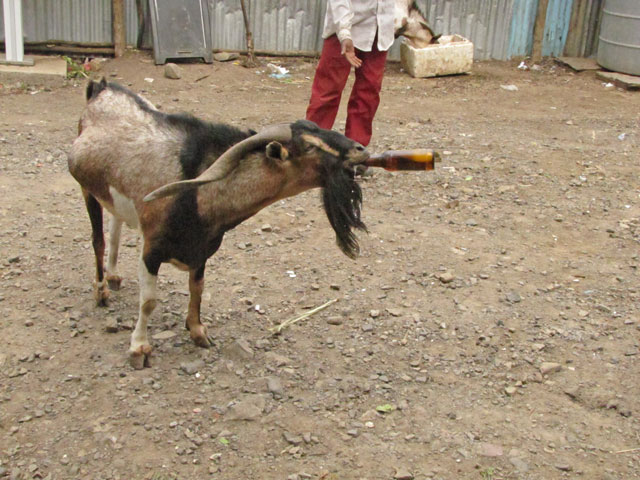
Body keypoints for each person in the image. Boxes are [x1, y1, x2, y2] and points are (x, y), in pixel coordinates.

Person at [306, 0, 395, 149]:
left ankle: (356, 150)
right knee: (328, 91)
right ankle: (311, 149)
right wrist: (344, 32)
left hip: (380, 30)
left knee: (369, 93)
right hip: (345, 30)